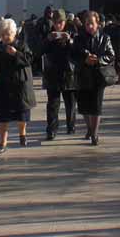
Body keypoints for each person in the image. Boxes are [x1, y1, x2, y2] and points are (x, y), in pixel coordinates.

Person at [0, 18, 36, 154]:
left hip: (19, 86)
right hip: (3, 87)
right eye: (2, 34)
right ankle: (3, 142)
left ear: (14, 33)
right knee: (3, 116)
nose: (5, 37)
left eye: (8, 33)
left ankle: (22, 133)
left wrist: (16, 54)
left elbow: (30, 59)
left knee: (22, 115)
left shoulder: (21, 45)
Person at [73, 10, 115, 145]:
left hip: (98, 75)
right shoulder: (79, 38)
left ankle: (95, 134)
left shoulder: (105, 37)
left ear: (97, 24)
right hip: (83, 75)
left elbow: (111, 55)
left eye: (92, 23)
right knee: (84, 105)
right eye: (87, 24)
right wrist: (84, 60)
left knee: (96, 106)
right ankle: (90, 129)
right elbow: (72, 56)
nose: (89, 26)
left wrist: (99, 60)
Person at [42, 9, 77, 140]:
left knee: (70, 102)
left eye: (61, 22)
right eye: (56, 22)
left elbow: (77, 51)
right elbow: (39, 50)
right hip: (52, 72)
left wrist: (70, 40)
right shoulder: (48, 32)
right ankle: (51, 130)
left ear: (65, 21)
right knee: (53, 103)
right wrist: (48, 40)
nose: (58, 25)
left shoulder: (72, 31)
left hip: (69, 72)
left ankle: (71, 125)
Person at [105, 12, 120, 84]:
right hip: (119, 47)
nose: (114, 22)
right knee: (118, 63)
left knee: (119, 63)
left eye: (115, 21)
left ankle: (119, 78)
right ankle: (118, 78)